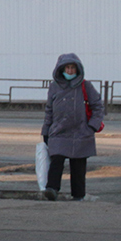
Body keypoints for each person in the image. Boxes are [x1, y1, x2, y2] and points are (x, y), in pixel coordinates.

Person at [41, 53, 103, 201]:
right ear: (61, 69)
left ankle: (78, 194)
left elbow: (98, 107)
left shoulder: (86, 86)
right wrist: (46, 130)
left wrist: (92, 127)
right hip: (59, 131)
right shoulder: (54, 87)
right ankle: (52, 189)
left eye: (73, 68)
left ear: (78, 69)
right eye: (67, 68)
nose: (70, 71)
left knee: (78, 166)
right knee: (56, 161)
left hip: (81, 132)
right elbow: (49, 109)